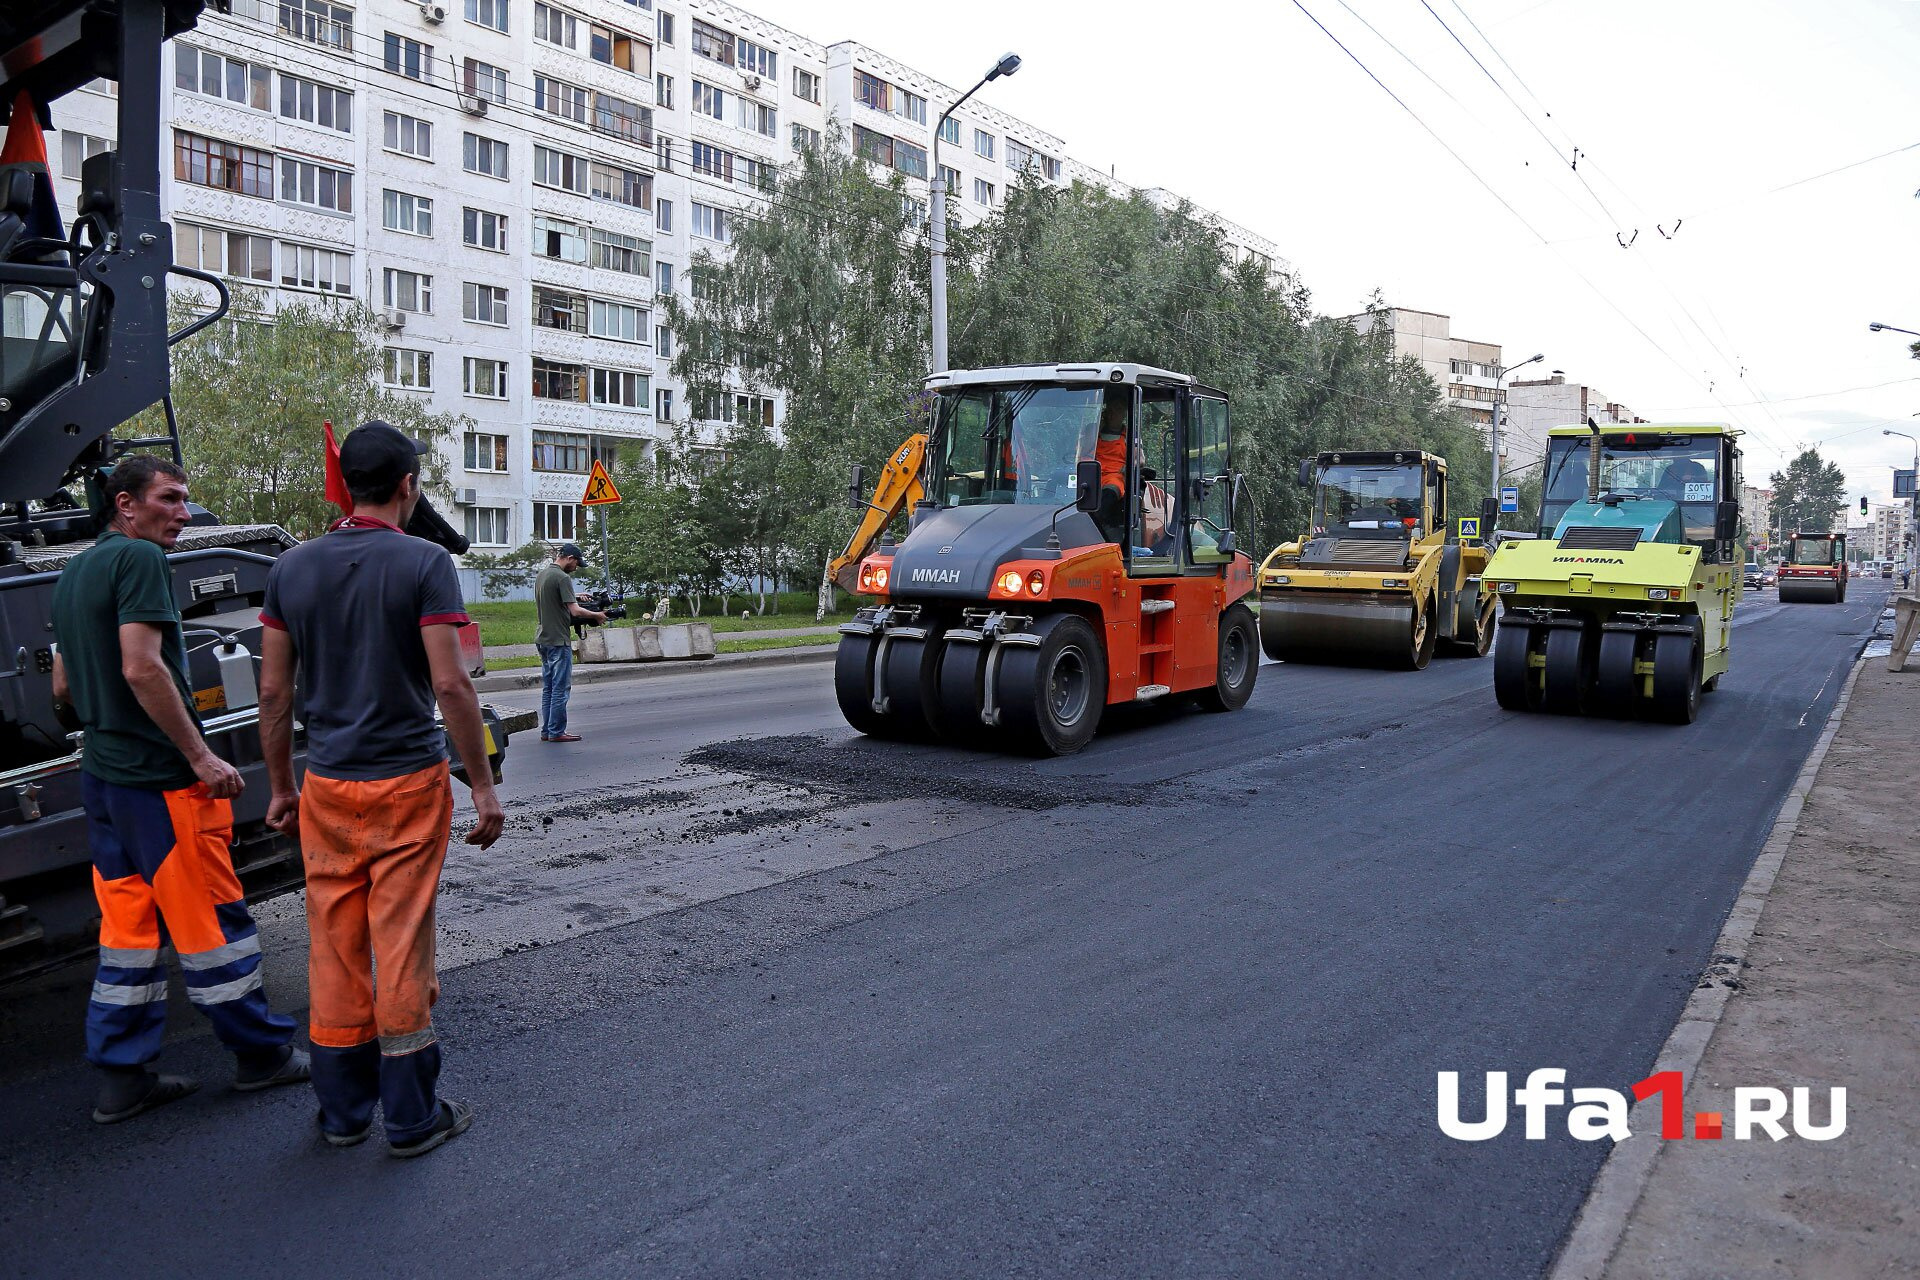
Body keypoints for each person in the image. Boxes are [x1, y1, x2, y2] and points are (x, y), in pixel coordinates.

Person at [256, 421, 505, 1157]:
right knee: (399, 945)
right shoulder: (425, 562)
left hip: (326, 785)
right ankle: (410, 1117)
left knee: (332, 947)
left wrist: (279, 786)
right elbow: (452, 683)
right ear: (406, 486)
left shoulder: (290, 569)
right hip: (405, 782)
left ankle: (341, 1114)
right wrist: (483, 786)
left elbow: (275, 692)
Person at [49, 455, 307, 1124]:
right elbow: (142, 668)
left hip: (103, 780)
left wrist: (104, 728)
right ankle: (263, 1057)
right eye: (170, 499)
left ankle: (121, 1078)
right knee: (212, 927)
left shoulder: (72, 572)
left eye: (186, 501)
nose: (184, 515)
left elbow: (63, 688)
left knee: (128, 936)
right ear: (125, 504)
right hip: (160, 784)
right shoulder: (138, 563)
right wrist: (198, 756)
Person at [533, 543, 607, 743]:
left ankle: (547, 731)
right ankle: (557, 731)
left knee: (548, 688)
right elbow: (575, 611)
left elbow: (552, 598)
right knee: (560, 688)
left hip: (543, 638)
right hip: (558, 639)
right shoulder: (563, 577)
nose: (576, 567)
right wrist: (597, 615)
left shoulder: (543, 575)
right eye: (576, 563)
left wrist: (575, 596)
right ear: (570, 558)